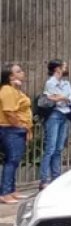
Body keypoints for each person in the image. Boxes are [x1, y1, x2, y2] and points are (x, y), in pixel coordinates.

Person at [40, 60, 71, 187]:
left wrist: (62, 98)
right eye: (64, 66)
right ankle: (44, 179)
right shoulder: (50, 83)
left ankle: (56, 176)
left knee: (59, 148)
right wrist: (62, 98)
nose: (66, 68)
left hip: (65, 115)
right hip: (54, 115)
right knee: (50, 147)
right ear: (58, 69)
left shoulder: (66, 83)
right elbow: (53, 99)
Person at [0, 63, 32, 204]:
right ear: (11, 76)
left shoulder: (14, 90)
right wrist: (20, 126)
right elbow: (9, 112)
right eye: (19, 71)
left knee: (15, 160)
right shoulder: (7, 90)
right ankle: (5, 192)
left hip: (17, 129)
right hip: (11, 129)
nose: (22, 73)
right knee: (12, 160)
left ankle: (11, 190)